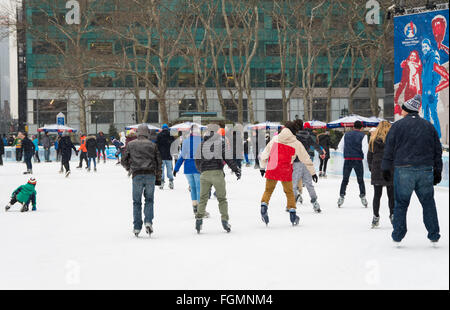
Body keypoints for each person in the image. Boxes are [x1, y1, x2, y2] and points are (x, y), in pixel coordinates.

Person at [381, 95, 443, 246]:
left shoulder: (397, 126)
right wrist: (438, 171)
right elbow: (437, 151)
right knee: (428, 202)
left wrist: (385, 168)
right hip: (425, 169)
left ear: (407, 110)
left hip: (403, 169)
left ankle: (398, 235)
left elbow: (388, 149)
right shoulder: (428, 126)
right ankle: (434, 234)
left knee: (401, 204)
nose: (401, 110)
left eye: (403, 108)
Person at [259, 121, 315, 226]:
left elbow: (265, 153)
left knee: (268, 190)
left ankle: (264, 205)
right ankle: (293, 214)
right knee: (289, 193)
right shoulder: (296, 142)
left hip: (272, 168)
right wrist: (313, 173)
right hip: (286, 169)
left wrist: (262, 167)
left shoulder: (275, 138)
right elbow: (305, 158)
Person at [194, 129, 241, 234]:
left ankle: (199, 220)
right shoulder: (220, 144)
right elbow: (227, 158)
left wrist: (201, 170)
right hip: (217, 173)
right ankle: (225, 221)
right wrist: (236, 169)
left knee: (203, 198)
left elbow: (197, 160)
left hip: (204, 174)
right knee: (222, 199)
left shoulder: (201, 145)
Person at [122, 124, 162, 237]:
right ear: (147, 133)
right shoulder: (153, 145)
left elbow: (123, 160)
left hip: (137, 174)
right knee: (149, 200)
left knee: (136, 202)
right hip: (150, 174)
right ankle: (148, 221)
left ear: (138, 132)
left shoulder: (130, 144)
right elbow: (159, 162)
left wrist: (129, 168)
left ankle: (137, 226)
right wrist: (158, 178)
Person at [367, 121, 394, 229]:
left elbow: (369, 157)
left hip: (377, 169)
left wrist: (372, 168)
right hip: (390, 170)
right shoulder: (392, 140)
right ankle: (393, 215)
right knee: (391, 195)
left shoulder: (373, 140)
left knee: (377, 195)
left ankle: (375, 216)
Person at [173, 125, 205, 216]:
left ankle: (194, 206)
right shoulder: (201, 141)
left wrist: (176, 169)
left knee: (193, 188)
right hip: (198, 167)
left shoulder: (186, 141)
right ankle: (200, 209)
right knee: (199, 188)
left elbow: (182, 156)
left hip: (188, 168)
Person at [291, 120, 321, 213]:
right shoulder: (308, 136)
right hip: (306, 161)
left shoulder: (294, 137)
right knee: (309, 183)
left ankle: (293, 202)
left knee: (294, 183)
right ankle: (315, 202)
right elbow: (315, 145)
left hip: (297, 162)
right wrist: (321, 152)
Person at [337, 121, 369, 208]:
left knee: (345, 179)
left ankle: (341, 196)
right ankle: (363, 196)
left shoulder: (346, 135)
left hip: (348, 159)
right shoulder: (363, 136)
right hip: (358, 160)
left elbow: (340, 147)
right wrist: (366, 161)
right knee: (360, 179)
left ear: (353, 127)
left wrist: (347, 153)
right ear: (361, 128)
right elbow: (365, 149)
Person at [421, 38, 442, 138]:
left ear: (429, 47)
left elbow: (437, 76)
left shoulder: (433, 58)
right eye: (423, 47)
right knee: (425, 115)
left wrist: (432, 91)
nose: (424, 48)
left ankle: (438, 137)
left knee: (433, 114)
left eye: (425, 46)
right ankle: (428, 136)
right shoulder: (425, 59)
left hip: (431, 92)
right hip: (424, 92)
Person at [394, 50, 422, 120]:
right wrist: (396, 97)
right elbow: (402, 83)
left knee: (419, 113)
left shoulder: (420, 66)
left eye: (414, 56)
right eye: (411, 56)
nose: (412, 57)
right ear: (409, 56)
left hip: (418, 92)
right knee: (408, 115)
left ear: (416, 57)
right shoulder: (407, 66)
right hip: (409, 93)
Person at [156, 124, 175, 190]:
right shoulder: (171, 135)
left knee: (161, 170)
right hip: (169, 156)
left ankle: (162, 182)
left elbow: (157, 146)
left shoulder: (159, 135)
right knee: (169, 170)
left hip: (161, 156)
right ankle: (171, 181)